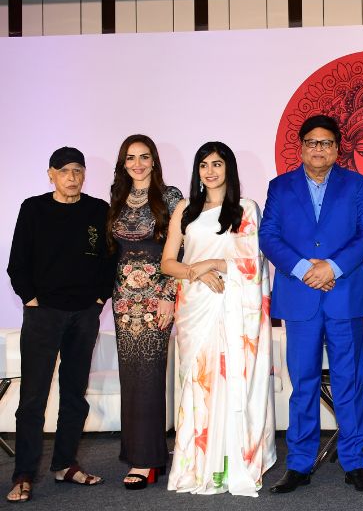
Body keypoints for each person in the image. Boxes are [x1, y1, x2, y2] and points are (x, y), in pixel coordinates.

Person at [260, 114, 363, 493]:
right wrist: (303, 269)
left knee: (349, 382)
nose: (319, 149)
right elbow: (268, 236)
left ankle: (354, 461)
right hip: (300, 299)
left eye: (326, 143)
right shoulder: (280, 187)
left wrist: (332, 267)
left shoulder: (355, 184)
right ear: (301, 147)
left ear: (336, 148)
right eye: (312, 142)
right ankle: (299, 463)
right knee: (304, 384)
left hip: (343, 296)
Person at [161, 141, 276, 496]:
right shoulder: (184, 209)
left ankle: (233, 461)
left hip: (234, 306)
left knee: (231, 381)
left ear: (229, 169)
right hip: (195, 307)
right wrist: (196, 272)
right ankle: (197, 466)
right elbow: (167, 263)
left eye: (217, 164)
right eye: (203, 165)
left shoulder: (245, 209)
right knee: (199, 384)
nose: (210, 171)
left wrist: (213, 264)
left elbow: (254, 262)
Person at [6, 146, 113, 503]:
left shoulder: (98, 210)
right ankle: (23, 474)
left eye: (78, 170)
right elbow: (17, 263)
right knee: (32, 398)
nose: (72, 177)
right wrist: (31, 300)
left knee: (74, 394)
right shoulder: (33, 208)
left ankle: (65, 464)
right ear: (51, 174)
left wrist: (98, 300)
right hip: (43, 313)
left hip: (84, 314)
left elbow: (109, 260)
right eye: (64, 170)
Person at [106, 135, 182, 489]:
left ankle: (146, 460)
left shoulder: (171, 197)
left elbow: (182, 249)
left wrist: (169, 294)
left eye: (144, 157)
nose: (137, 164)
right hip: (123, 301)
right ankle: (147, 454)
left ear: (154, 161)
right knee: (131, 378)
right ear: (123, 163)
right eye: (130, 158)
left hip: (157, 299)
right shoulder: (116, 198)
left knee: (151, 376)